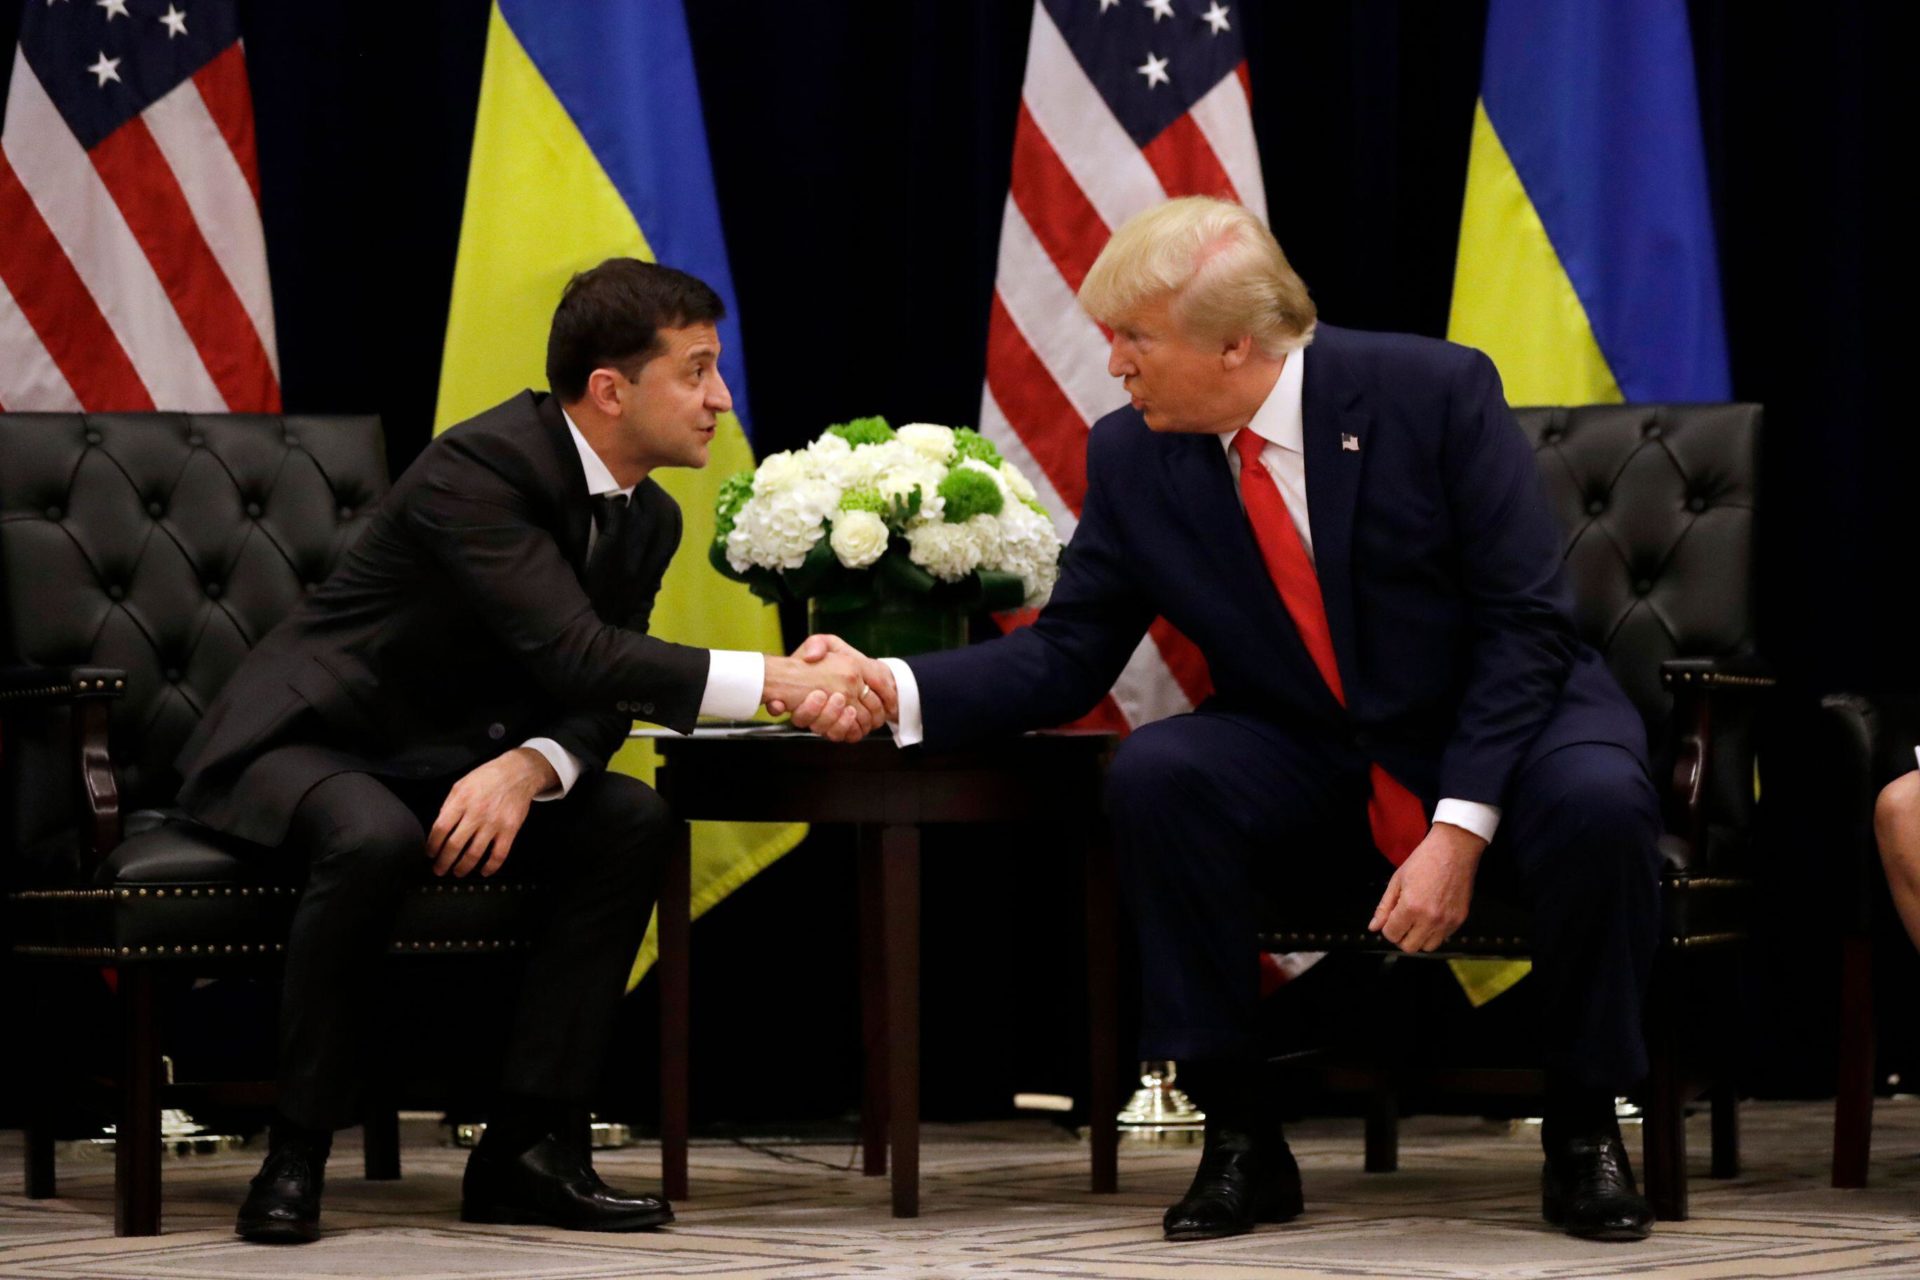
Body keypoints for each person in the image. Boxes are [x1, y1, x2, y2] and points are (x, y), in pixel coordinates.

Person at [791, 197, 1663, 1243]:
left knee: (1599, 798)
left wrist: (1458, 825)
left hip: (1506, 716)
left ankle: (1582, 1128)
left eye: (1135, 339)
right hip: (1311, 736)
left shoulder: (1431, 390)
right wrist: (895, 683)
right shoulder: (1134, 454)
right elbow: (1069, 653)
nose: (1115, 364)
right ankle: (1241, 1134)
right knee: (1162, 770)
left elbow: (1525, 627)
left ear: (1236, 344)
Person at [175, 258, 878, 1243]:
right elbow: (579, 649)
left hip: (461, 756)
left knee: (629, 816)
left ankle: (528, 1147)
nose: (722, 398)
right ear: (610, 389)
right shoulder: (482, 464)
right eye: (698, 370)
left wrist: (535, 764)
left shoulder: (650, 517)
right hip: (318, 738)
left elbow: (600, 689)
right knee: (372, 834)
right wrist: (777, 679)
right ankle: (296, 1147)